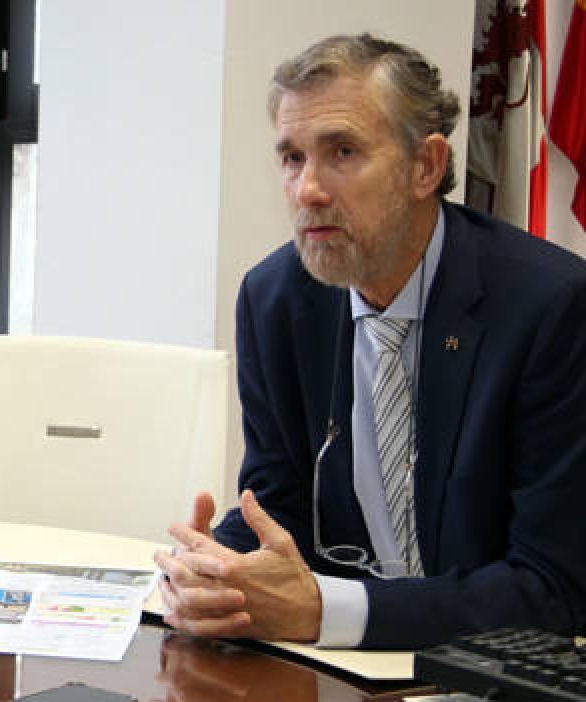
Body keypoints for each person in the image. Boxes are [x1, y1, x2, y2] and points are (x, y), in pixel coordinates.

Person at [155, 34, 586, 649]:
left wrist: (329, 612)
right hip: (341, 685)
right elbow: (281, 505)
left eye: (342, 151)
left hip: (492, 687)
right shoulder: (275, 301)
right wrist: (217, 572)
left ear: (425, 166)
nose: (308, 190)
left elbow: (553, 587)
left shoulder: (550, 306)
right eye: (291, 158)